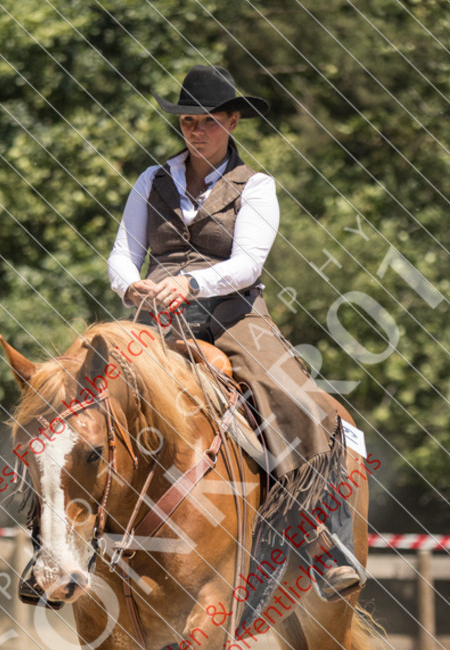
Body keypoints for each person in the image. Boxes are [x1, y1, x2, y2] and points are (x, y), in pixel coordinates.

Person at [107, 65, 365, 609]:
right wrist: (131, 286)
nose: (196, 131)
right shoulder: (150, 180)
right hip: (159, 319)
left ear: (231, 122)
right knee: (84, 400)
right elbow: (122, 255)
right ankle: (64, 540)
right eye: (188, 122)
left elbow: (247, 264)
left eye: (207, 121)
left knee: (298, 400)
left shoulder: (257, 186)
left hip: (233, 315)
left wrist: (191, 283)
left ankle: (324, 540)